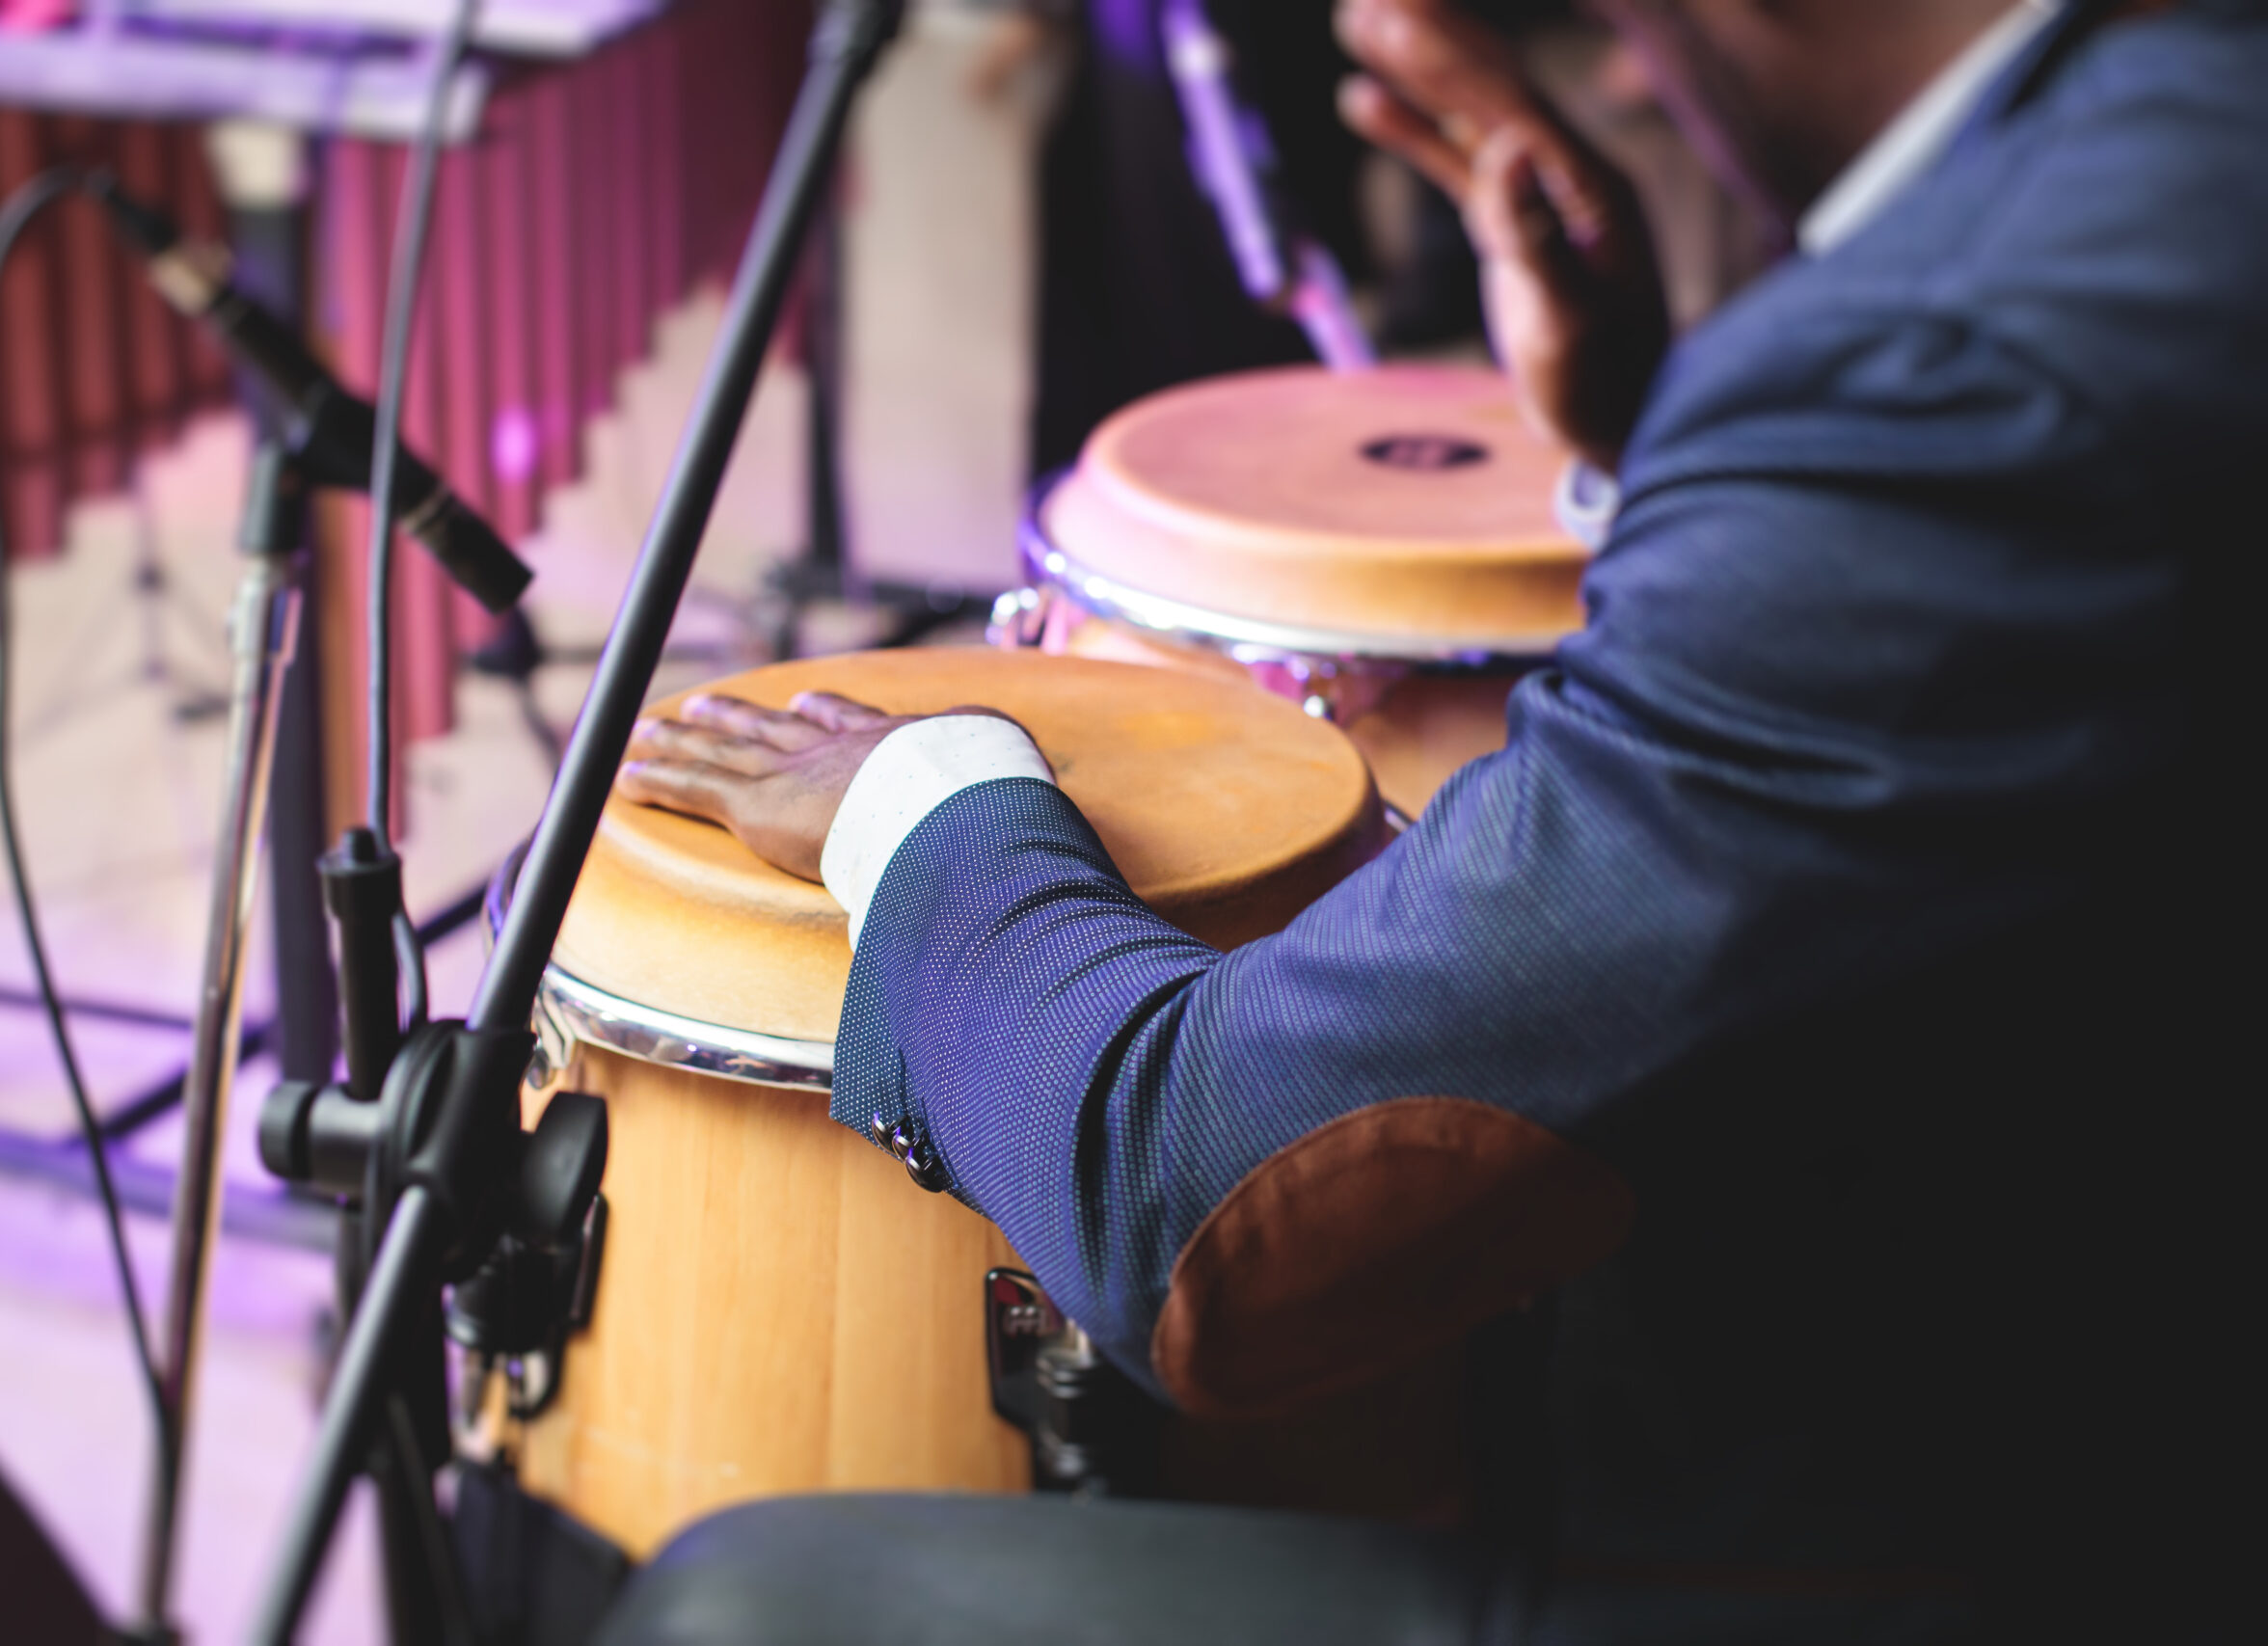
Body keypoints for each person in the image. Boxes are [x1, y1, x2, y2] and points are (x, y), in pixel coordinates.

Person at [617, 0, 2260, 1635]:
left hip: (1948, 1544)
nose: (1633, 63)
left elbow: (1190, 1212)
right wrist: (1669, 430)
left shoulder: (1955, 390)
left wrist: (926, 797)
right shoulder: (2185, 137)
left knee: (743, 1602)